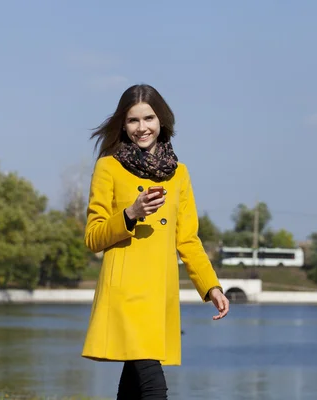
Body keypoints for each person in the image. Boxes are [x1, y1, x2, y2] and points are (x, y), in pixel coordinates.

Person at [81, 84, 230, 399]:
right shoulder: (109, 166)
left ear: (162, 120)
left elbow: (188, 239)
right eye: (133, 120)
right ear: (123, 124)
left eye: (148, 118)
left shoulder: (179, 175)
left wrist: (211, 286)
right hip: (124, 293)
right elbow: (93, 236)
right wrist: (130, 214)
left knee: (134, 386)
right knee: (154, 387)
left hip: (159, 293)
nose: (141, 127)